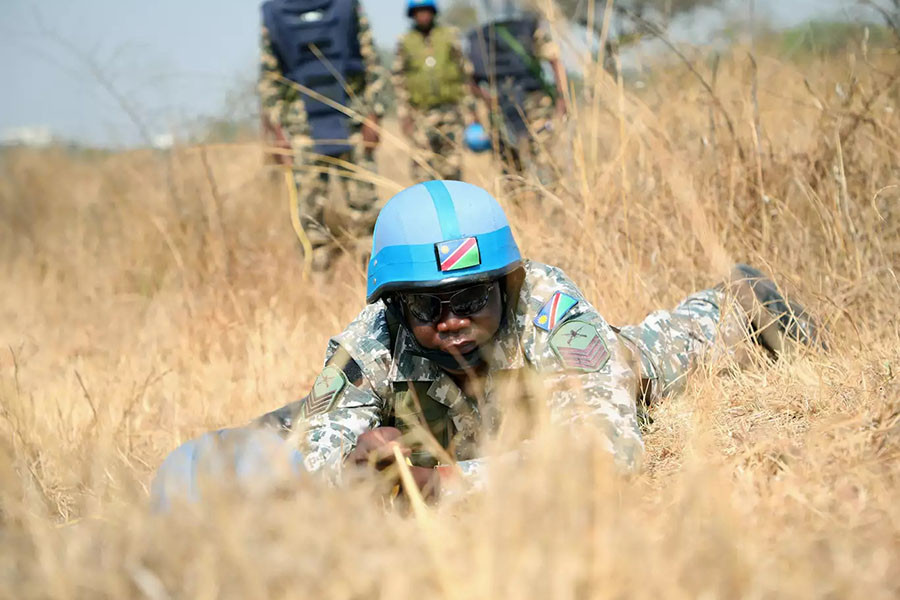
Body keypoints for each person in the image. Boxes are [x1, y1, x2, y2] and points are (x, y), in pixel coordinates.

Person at [152, 181, 822, 506]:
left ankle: (737, 300)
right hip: (443, 415)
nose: (451, 321)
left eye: (472, 299)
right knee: (293, 429)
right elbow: (324, 451)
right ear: (395, 305)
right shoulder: (371, 340)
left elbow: (605, 454)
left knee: (654, 352)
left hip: (576, 382)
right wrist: (351, 469)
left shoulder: (550, 310)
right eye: (427, 306)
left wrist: (445, 483)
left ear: (506, 285)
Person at [259, 0, 387, 271]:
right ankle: (318, 279)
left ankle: (373, 277)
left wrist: (374, 115)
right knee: (310, 216)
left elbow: (370, 60)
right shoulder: (275, 13)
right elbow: (269, 77)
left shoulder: (346, 6)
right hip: (303, 130)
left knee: (366, 210)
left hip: (352, 121)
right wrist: (279, 135)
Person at [466, 10, 567, 183]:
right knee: (510, 167)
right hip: (500, 110)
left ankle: (551, 197)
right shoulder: (478, 37)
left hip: (533, 103)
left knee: (544, 159)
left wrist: (562, 97)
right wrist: (484, 104)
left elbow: (555, 60)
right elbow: (470, 79)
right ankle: (522, 199)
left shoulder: (528, 27)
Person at [392, 0, 480, 182]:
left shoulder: (449, 36)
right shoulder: (405, 42)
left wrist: (471, 108)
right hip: (420, 114)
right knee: (422, 171)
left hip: (450, 112)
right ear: (412, 15)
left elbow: (465, 72)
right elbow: (399, 80)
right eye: (418, 11)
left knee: (452, 168)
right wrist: (404, 114)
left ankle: (452, 200)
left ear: (433, 12)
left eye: (426, 10)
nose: (423, 15)